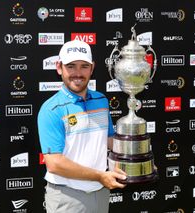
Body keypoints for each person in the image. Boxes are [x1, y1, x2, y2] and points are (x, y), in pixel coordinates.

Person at [37, 39, 127, 213]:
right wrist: (100, 176)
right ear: (59, 67)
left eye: (84, 66)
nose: (78, 73)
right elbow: (54, 163)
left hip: (100, 192)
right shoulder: (51, 109)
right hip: (67, 197)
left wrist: (141, 160)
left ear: (92, 68)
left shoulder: (101, 100)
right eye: (71, 66)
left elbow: (110, 141)